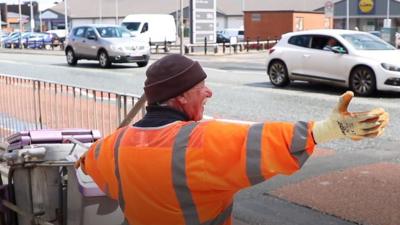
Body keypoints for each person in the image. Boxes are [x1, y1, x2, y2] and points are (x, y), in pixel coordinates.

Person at [75, 54, 389, 225]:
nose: (209, 92)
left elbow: (88, 164)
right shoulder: (196, 145)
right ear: (181, 97)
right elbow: (262, 142)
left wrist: (85, 159)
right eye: (201, 87)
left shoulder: (111, 147)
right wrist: (328, 130)